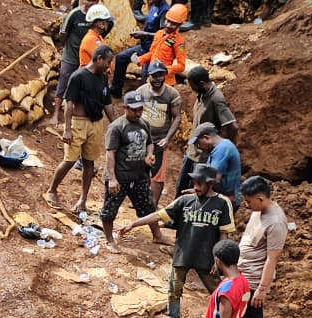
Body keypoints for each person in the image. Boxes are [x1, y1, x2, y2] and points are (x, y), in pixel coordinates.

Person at [114, 163, 234, 318]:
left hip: (207, 258)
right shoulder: (184, 201)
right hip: (183, 254)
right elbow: (159, 215)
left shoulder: (222, 203)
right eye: (194, 183)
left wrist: (219, 260)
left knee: (218, 293)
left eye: (199, 183)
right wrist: (134, 223)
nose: (195, 187)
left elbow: (224, 233)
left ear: (210, 184)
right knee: (174, 291)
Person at [46, 44, 115, 215]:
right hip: (78, 122)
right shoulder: (78, 76)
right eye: (108, 61)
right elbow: (68, 104)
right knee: (69, 160)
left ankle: (83, 199)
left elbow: (107, 103)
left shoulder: (102, 77)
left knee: (89, 162)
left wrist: (115, 124)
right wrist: (67, 129)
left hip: (96, 123)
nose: (109, 65)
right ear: (99, 59)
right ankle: (52, 190)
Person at [229, 176, 287, 318]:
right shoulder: (259, 210)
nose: (247, 205)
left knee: (251, 317)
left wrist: (262, 289)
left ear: (261, 198)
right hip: (242, 271)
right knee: (233, 310)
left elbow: (272, 258)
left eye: (249, 201)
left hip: (255, 278)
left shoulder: (276, 222)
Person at [100, 91, 163, 252]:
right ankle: (109, 240)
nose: (138, 113)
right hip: (120, 176)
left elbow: (150, 143)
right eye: (134, 109)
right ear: (125, 108)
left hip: (139, 175)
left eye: (140, 109)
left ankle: (157, 235)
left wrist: (149, 154)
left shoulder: (144, 124)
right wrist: (112, 179)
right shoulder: (116, 127)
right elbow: (110, 154)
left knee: (148, 206)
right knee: (110, 210)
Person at [176, 66, 237, 197]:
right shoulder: (202, 94)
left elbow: (232, 126)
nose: (192, 90)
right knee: (181, 190)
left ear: (202, 83)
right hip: (191, 153)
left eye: (193, 86)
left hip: (202, 157)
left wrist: (226, 148)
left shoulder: (216, 98)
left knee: (194, 195)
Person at [136, 61, 183, 206]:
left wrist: (168, 138)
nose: (157, 79)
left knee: (157, 175)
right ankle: (141, 200)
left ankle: (153, 205)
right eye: (154, 76)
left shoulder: (171, 94)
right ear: (148, 75)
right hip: (141, 140)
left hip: (159, 141)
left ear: (165, 75)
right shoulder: (141, 91)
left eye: (160, 75)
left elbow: (177, 117)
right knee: (141, 171)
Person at [112, 0, 167, 97]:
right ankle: (116, 91)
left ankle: (143, 103)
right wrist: (140, 32)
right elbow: (148, 26)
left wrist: (144, 34)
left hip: (153, 51)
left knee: (146, 78)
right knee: (121, 58)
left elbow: (164, 36)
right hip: (143, 46)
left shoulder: (165, 10)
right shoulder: (154, 6)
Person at [51, 0, 94, 125]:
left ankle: (77, 116)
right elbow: (63, 34)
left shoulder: (97, 15)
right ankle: (56, 113)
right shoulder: (74, 15)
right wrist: (67, 48)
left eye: (94, 0)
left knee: (82, 86)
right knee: (63, 83)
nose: (91, 3)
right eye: (88, 0)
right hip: (71, 56)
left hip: (86, 58)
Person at [188, 122, 242, 209]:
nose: (198, 147)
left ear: (206, 138)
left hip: (225, 199)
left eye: (198, 143)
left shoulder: (222, 150)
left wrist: (196, 191)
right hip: (225, 197)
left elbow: (213, 179)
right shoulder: (223, 146)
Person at [135, 4, 188, 87]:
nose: (168, 25)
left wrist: (164, 70)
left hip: (166, 81)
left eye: (173, 23)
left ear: (180, 25)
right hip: (152, 77)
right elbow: (152, 53)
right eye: (168, 21)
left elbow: (181, 66)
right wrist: (140, 60)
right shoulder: (159, 33)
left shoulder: (179, 42)